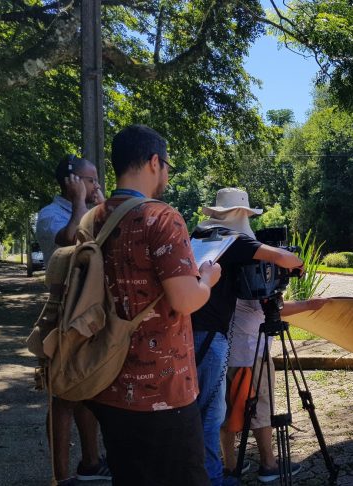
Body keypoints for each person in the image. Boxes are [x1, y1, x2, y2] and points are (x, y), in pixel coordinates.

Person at [86, 124, 221, 485]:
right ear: (153, 162)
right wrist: (207, 279)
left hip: (106, 383)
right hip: (164, 392)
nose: (166, 175)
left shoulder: (92, 219)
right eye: (166, 166)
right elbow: (185, 299)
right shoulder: (161, 217)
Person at [190, 188, 304, 485]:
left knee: (212, 410)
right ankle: (215, 477)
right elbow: (281, 257)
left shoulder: (200, 236)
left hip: (192, 332)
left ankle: (223, 469)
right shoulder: (232, 240)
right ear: (241, 215)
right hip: (214, 337)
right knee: (213, 414)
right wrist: (296, 264)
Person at [215, 212, 328, 483]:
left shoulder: (218, 253)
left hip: (226, 349)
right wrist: (309, 305)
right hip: (250, 351)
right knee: (260, 405)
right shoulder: (250, 262)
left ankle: (231, 464)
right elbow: (267, 309)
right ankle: (268, 464)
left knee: (228, 407)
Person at [35, 155, 109, 486]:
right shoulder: (50, 214)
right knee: (64, 394)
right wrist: (81, 202)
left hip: (88, 311)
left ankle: (91, 463)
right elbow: (71, 238)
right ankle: (61, 475)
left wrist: (102, 206)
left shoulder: (92, 209)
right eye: (90, 180)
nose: (96, 185)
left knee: (87, 388)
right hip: (63, 315)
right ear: (71, 181)